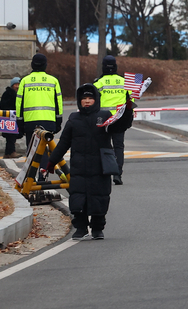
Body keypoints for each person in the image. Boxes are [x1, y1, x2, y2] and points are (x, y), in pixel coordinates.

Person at [46, 84, 133, 240]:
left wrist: (128, 110)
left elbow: (121, 126)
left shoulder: (105, 116)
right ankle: (81, 227)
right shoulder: (74, 118)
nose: (87, 101)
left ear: (96, 100)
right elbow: (64, 142)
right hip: (79, 168)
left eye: (90, 98)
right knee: (77, 199)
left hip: (100, 168)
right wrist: (52, 162)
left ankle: (98, 228)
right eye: (84, 99)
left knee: (99, 198)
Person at [16, 53, 63, 176]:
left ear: (32, 65)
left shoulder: (24, 81)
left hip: (30, 121)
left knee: (32, 150)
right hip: (49, 120)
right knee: (46, 149)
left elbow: (19, 103)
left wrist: (19, 121)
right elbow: (58, 103)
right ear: (45, 65)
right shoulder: (53, 81)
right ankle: (44, 173)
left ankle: (31, 177)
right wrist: (58, 120)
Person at [93, 55, 129, 185]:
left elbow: (93, 102)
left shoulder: (98, 83)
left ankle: (104, 172)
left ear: (103, 67)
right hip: (119, 118)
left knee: (103, 146)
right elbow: (131, 100)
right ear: (115, 66)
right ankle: (117, 173)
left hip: (104, 118)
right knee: (118, 146)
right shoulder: (124, 81)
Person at [0, 77, 22, 158]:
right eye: (16, 84)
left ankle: (8, 152)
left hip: (15, 118)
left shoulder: (20, 94)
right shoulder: (8, 93)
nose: (18, 86)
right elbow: (2, 105)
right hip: (9, 118)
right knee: (11, 136)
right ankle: (11, 152)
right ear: (12, 85)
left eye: (19, 84)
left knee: (12, 136)